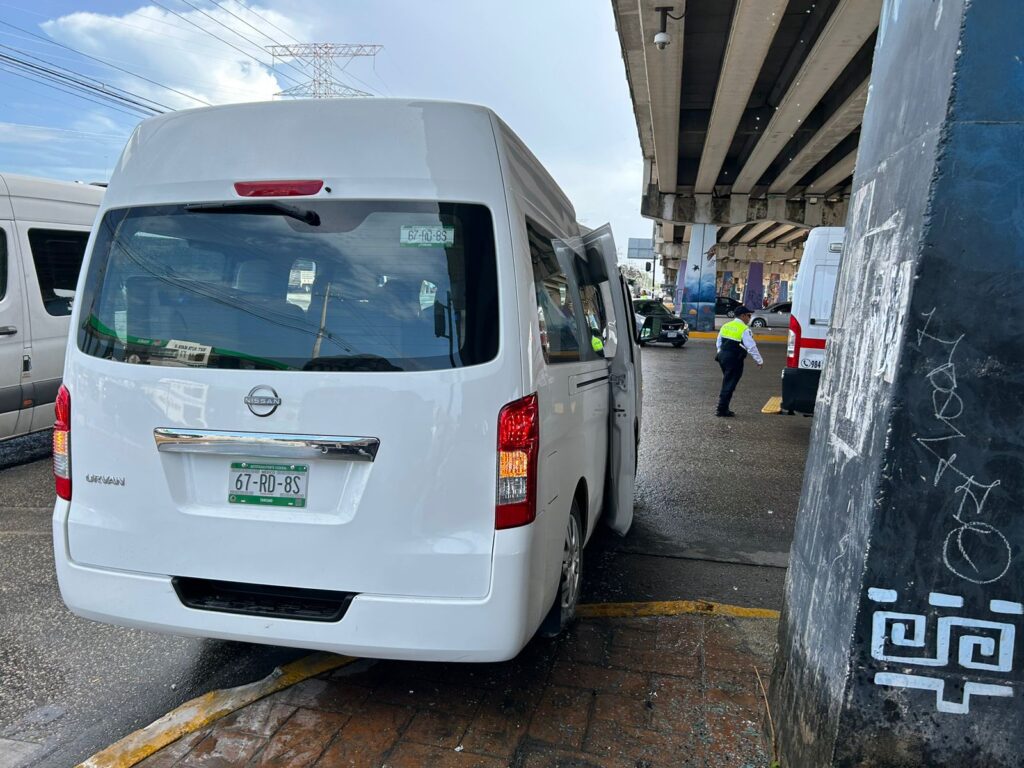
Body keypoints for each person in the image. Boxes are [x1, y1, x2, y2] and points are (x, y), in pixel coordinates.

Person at [715, 306, 762, 417]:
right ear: (742, 316)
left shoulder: (726, 325)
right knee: (729, 384)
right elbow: (751, 346)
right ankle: (721, 409)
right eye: (749, 315)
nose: (750, 318)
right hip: (734, 359)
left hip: (722, 357)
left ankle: (724, 408)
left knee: (728, 381)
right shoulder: (744, 329)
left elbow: (718, 341)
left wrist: (720, 352)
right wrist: (759, 360)